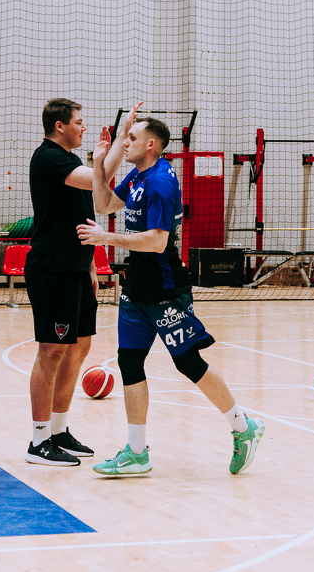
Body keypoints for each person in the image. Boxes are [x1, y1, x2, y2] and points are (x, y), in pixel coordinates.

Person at [79, 104, 265, 477]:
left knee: (188, 363)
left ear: (151, 144)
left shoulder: (161, 182)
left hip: (165, 290)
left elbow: (157, 241)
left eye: (132, 138)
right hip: (136, 288)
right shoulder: (136, 176)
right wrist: (99, 165)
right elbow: (103, 204)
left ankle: (243, 427)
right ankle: (137, 453)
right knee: (130, 363)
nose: (125, 143)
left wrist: (106, 239)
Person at [23, 99, 99, 466]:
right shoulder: (49, 158)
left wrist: (91, 265)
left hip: (76, 268)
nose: (83, 127)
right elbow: (99, 180)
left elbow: (83, 216)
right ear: (60, 126)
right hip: (52, 269)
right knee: (52, 350)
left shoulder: (72, 160)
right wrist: (116, 149)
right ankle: (39, 441)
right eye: (79, 122)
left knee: (79, 346)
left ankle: (58, 430)